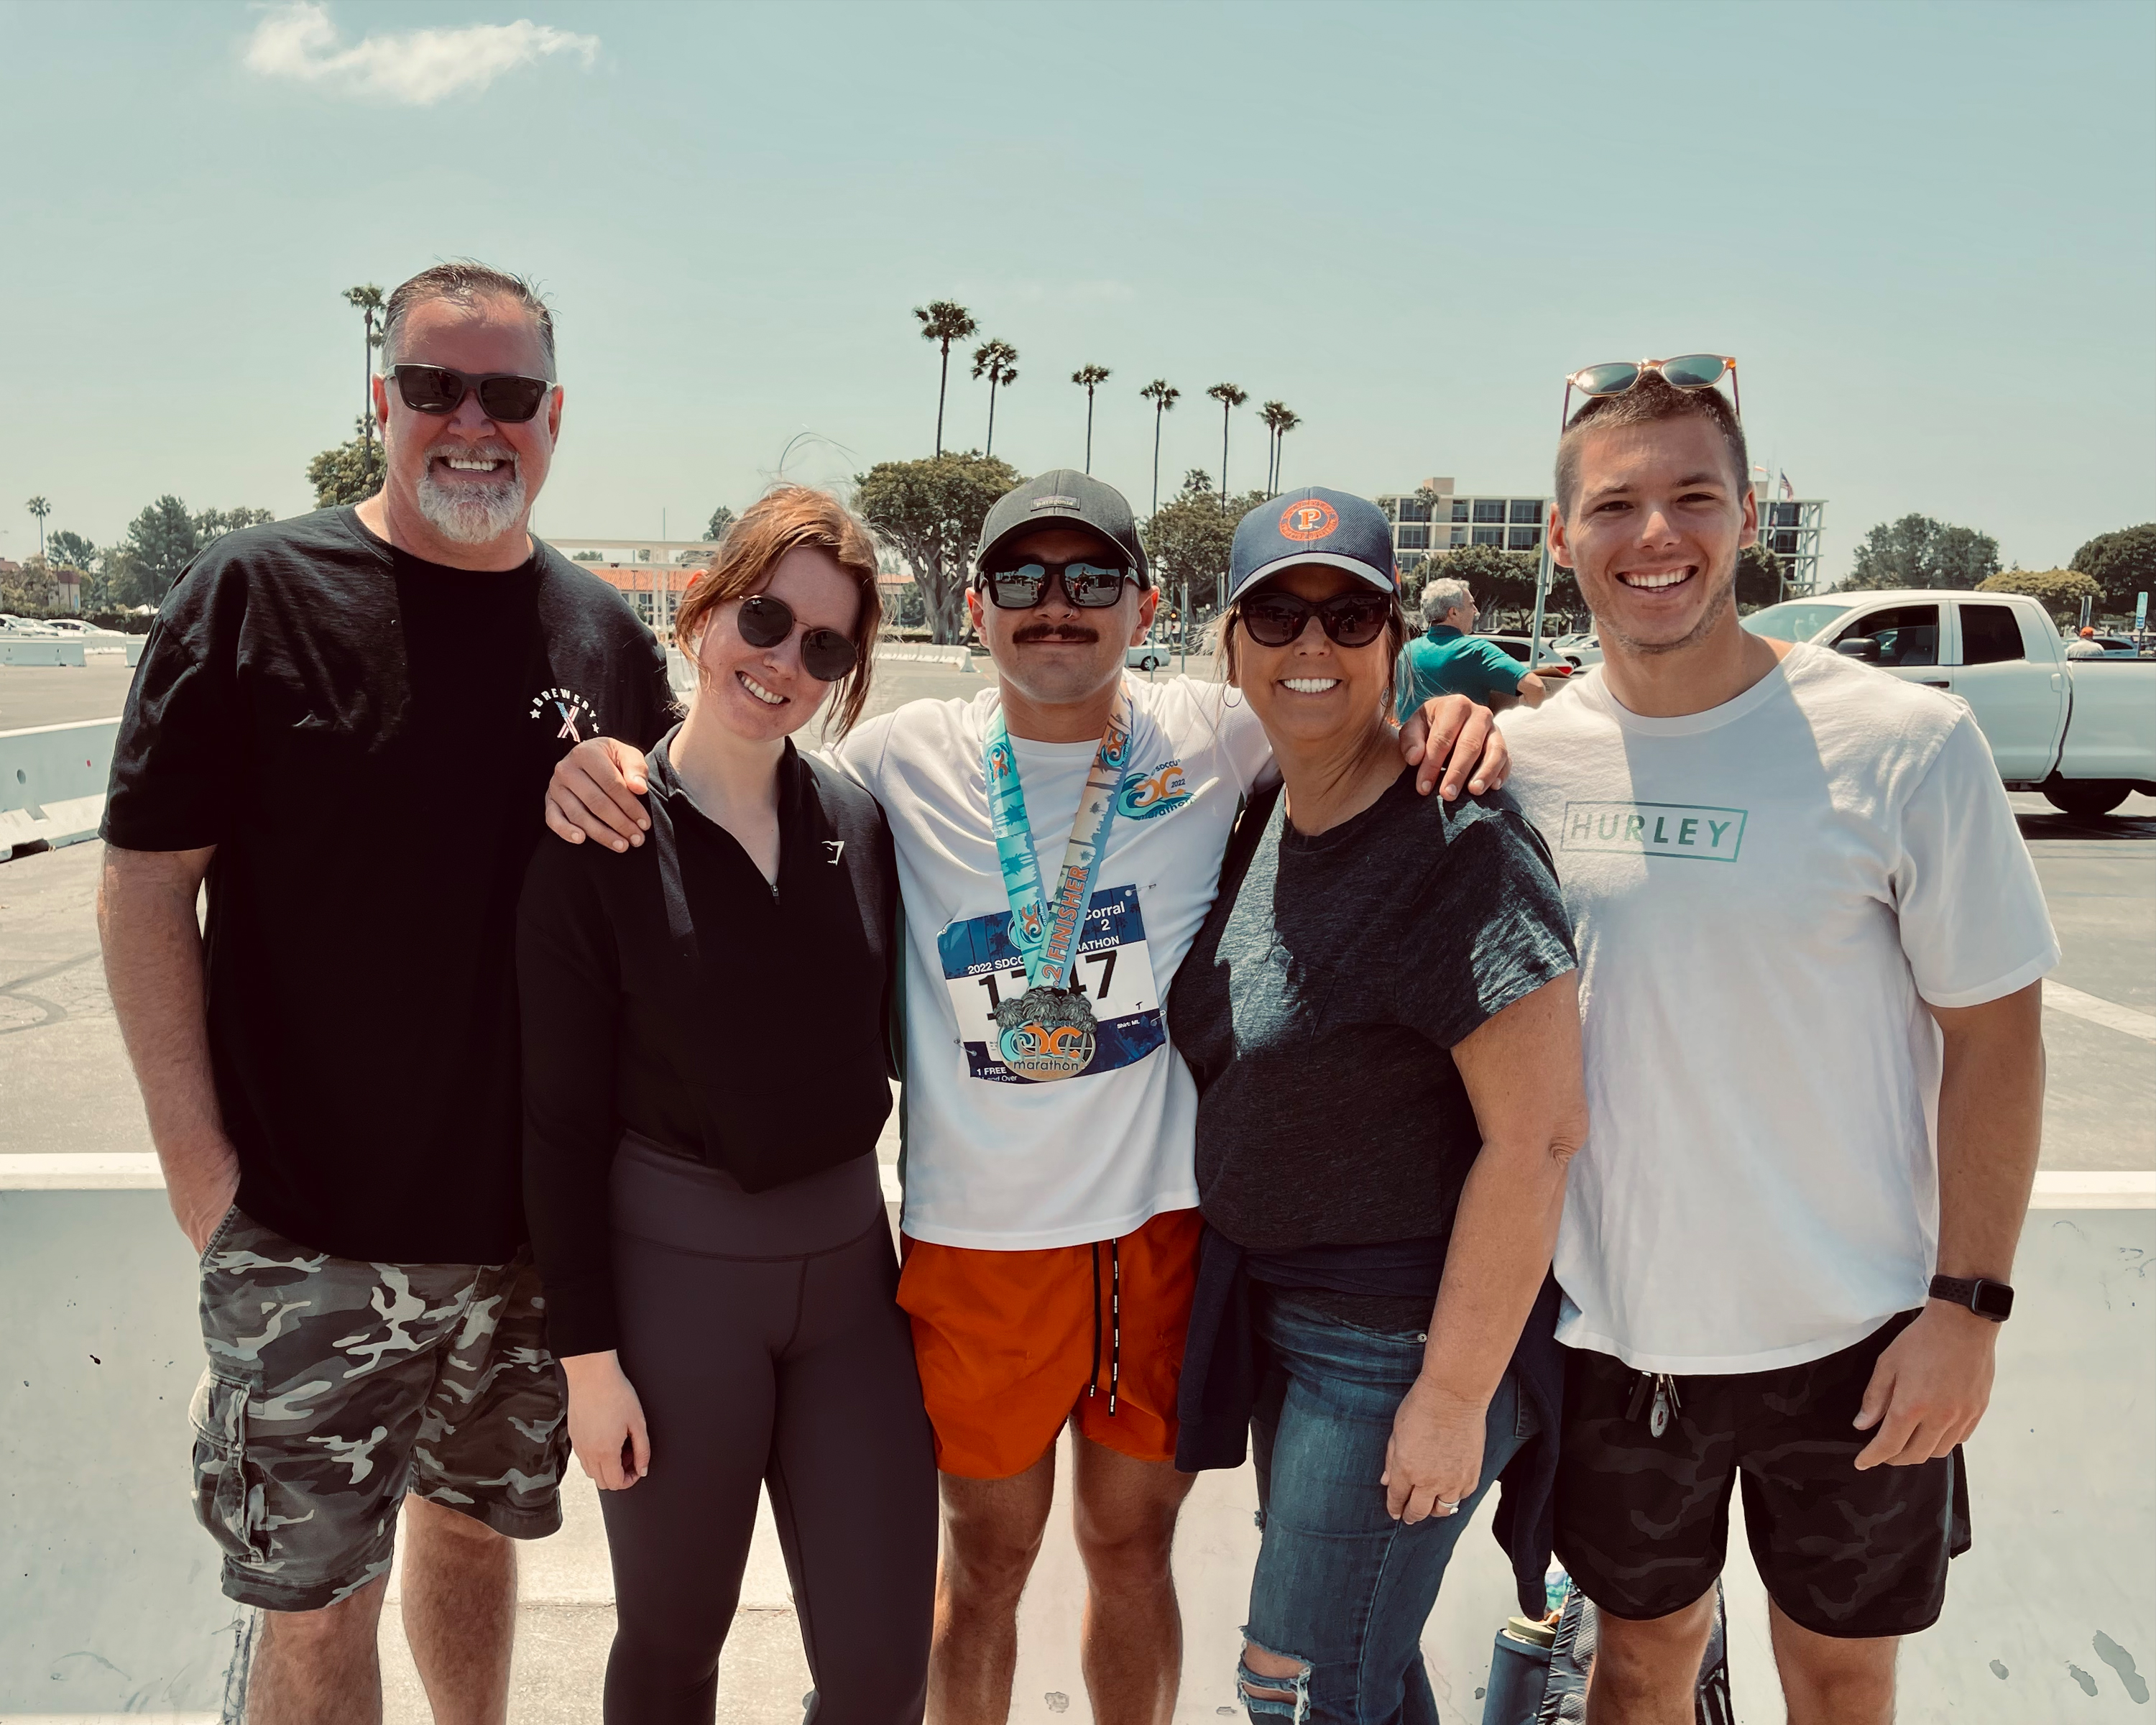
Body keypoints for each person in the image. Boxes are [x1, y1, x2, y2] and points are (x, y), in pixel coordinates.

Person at [542, 469, 1512, 1725]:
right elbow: (730, 741)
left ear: (1146, 603)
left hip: (1157, 1230)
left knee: (1130, 1555)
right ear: (979, 603)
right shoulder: (894, 761)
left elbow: (1350, 712)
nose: (1058, 608)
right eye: (1025, 581)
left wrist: (1462, 722)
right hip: (979, 1245)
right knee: (986, 1566)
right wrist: (601, 760)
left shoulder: (1215, 734)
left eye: (1092, 580)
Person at [96, 262, 676, 1725]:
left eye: (507, 395)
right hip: (304, 1232)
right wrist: (200, 1177)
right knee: (312, 1613)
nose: (471, 424)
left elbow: (674, 887)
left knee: (480, 1543)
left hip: (527, 1242)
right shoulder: (253, 592)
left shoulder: (603, 636)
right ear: (382, 404)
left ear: (555, 416)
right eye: (434, 388)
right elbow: (148, 883)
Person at [1498, 362, 2055, 1725]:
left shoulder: (1906, 744)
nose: (1658, 536)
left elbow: (1996, 1039)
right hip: (1621, 1345)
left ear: (1749, 516)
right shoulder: (1519, 758)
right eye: (1616, 505)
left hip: (1861, 1342)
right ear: (1562, 536)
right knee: (1634, 1671)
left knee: (1842, 1679)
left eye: (1695, 496)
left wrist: (1967, 1309)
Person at [1169, 489, 1585, 1723]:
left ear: (1396, 641)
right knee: (1366, 1667)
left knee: (1293, 1687)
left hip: (1396, 1344)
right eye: (1277, 616)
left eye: (1350, 616)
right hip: (1291, 1327)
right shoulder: (1268, 809)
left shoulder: (1450, 836)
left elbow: (1543, 1132)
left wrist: (1453, 1399)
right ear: (1231, 645)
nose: (1312, 647)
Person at [518, 487, 934, 1722]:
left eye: (828, 647)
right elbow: (556, 1125)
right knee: (673, 1643)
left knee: (876, 1675)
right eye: (766, 618)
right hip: (672, 1289)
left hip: (853, 1287)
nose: (786, 663)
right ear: (704, 611)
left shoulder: (858, 822)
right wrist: (588, 1365)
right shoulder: (600, 832)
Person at [1394, 576, 1547, 719]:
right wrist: (1512, 722)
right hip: (1460, 745)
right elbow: (1536, 688)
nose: (1476, 611)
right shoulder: (1476, 651)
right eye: (1471, 605)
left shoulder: (1406, 652)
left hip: (1406, 744)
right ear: (1453, 612)